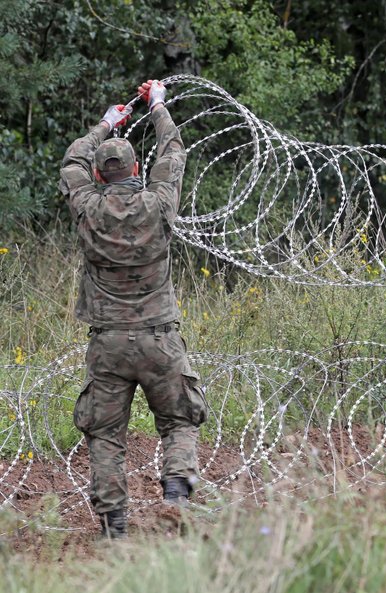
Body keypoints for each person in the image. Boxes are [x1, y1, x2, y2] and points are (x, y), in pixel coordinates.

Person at [59, 80, 208, 539]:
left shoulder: (86, 206)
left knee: (105, 436)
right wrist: (157, 104)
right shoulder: (160, 201)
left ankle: (114, 525)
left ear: (100, 175)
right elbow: (174, 150)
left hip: (108, 344)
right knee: (179, 420)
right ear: (137, 167)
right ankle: (177, 494)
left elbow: (71, 161)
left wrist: (107, 122)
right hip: (160, 336)